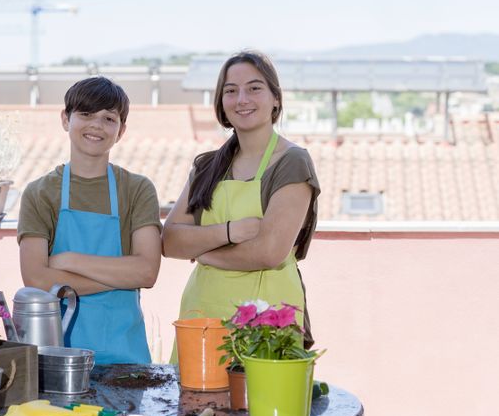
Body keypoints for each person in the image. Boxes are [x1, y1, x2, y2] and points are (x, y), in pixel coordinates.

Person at [162, 51, 320, 352]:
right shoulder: (207, 166)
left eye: (254, 88)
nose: (241, 99)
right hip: (203, 315)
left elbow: (269, 251)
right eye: (231, 91)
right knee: (195, 398)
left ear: (275, 99)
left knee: (262, 398)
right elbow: (170, 241)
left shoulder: (292, 162)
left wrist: (205, 253)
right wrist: (230, 231)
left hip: (267, 321)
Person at [17, 76, 162, 364]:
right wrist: (122, 276)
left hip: (126, 360)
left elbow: (147, 272)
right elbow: (36, 280)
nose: (96, 125)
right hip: (59, 359)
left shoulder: (137, 189)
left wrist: (68, 260)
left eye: (108, 118)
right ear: (65, 119)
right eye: (85, 114)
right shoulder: (39, 193)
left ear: (121, 131)